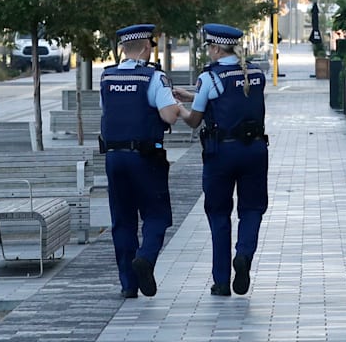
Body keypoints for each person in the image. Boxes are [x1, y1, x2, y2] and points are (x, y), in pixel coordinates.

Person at [176, 23, 269, 297]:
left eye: (210, 48)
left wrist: (182, 107)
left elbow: (195, 120)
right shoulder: (255, 72)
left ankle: (221, 281)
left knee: (219, 214)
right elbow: (234, 99)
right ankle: (244, 254)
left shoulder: (210, 77)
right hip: (255, 150)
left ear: (216, 47)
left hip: (221, 153)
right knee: (252, 209)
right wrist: (195, 97)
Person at [101, 23, 190, 299]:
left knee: (123, 220)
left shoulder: (107, 77)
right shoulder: (154, 78)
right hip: (146, 158)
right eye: (150, 45)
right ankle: (146, 259)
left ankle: (128, 284)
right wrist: (177, 105)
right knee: (156, 215)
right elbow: (168, 116)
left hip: (114, 158)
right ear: (145, 47)